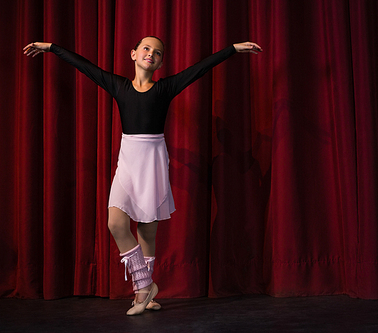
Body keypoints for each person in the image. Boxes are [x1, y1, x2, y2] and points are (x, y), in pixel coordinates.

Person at [23, 36, 262, 315]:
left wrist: (232, 49)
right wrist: (52, 48)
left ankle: (143, 293)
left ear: (160, 62)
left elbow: (200, 68)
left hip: (153, 160)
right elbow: (85, 66)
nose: (151, 53)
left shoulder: (165, 88)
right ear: (133, 54)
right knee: (116, 223)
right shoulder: (119, 86)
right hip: (128, 160)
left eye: (157, 52)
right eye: (146, 49)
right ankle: (147, 284)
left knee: (147, 230)